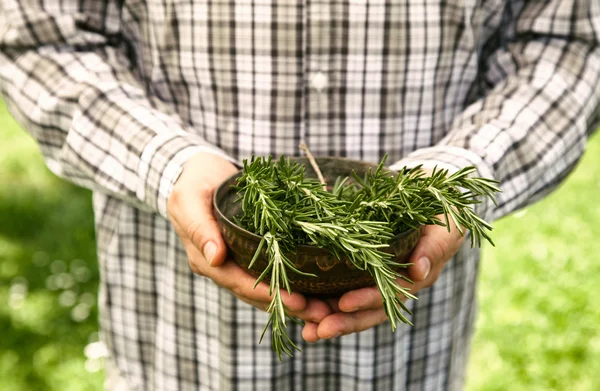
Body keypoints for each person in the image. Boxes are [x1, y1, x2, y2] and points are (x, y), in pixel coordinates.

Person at [1, 0, 599, 390]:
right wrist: (169, 162)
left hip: (408, 359)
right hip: (185, 351)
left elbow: (569, 44)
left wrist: (459, 175)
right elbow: (40, 40)